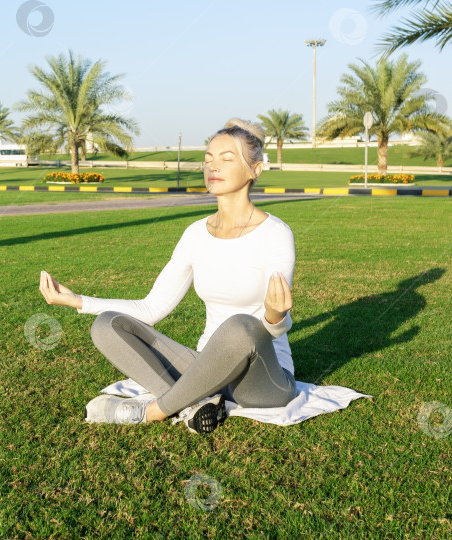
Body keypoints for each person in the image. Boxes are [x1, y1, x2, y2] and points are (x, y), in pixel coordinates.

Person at [38, 118, 298, 433]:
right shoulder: (194, 234)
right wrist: (78, 300)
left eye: (227, 159)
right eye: (208, 160)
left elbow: (270, 331)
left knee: (242, 326)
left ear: (255, 170)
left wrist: (274, 317)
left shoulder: (275, 233)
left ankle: (153, 411)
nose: (213, 166)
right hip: (207, 368)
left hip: (262, 380)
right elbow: (153, 308)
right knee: (107, 324)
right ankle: (194, 404)